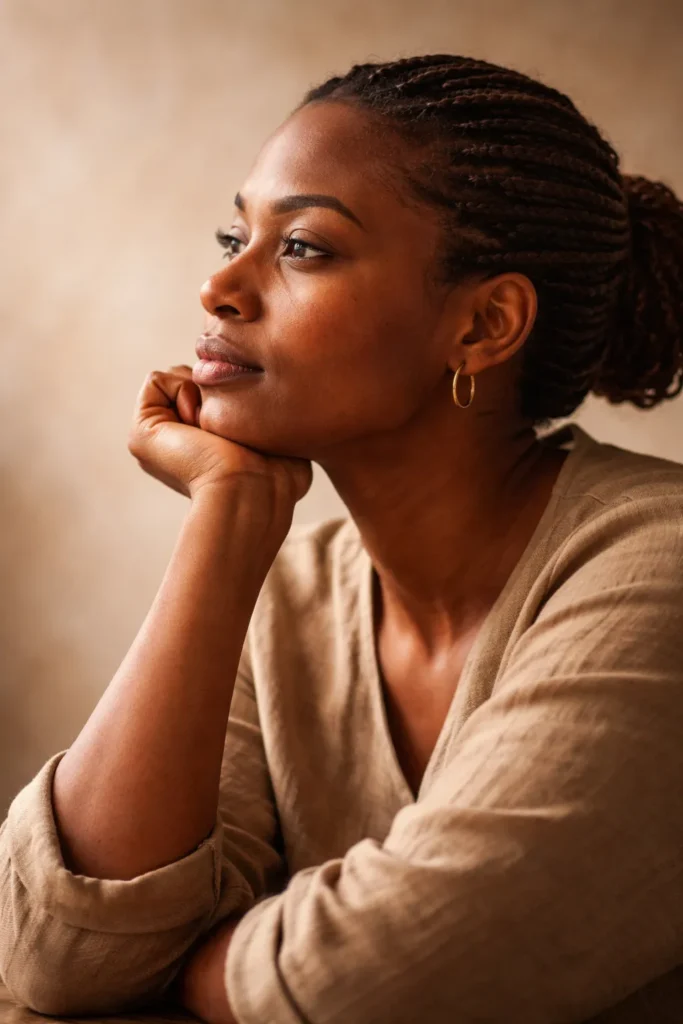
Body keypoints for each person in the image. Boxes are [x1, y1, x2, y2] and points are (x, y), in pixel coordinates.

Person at [1, 52, 682, 1024]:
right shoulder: (290, 590)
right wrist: (227, 513)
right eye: (235, 232)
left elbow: (379, 983)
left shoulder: (660, 569)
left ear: (484, 324)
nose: (219, 285)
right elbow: (56, 953)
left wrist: (180, 971)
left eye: (304, 247)